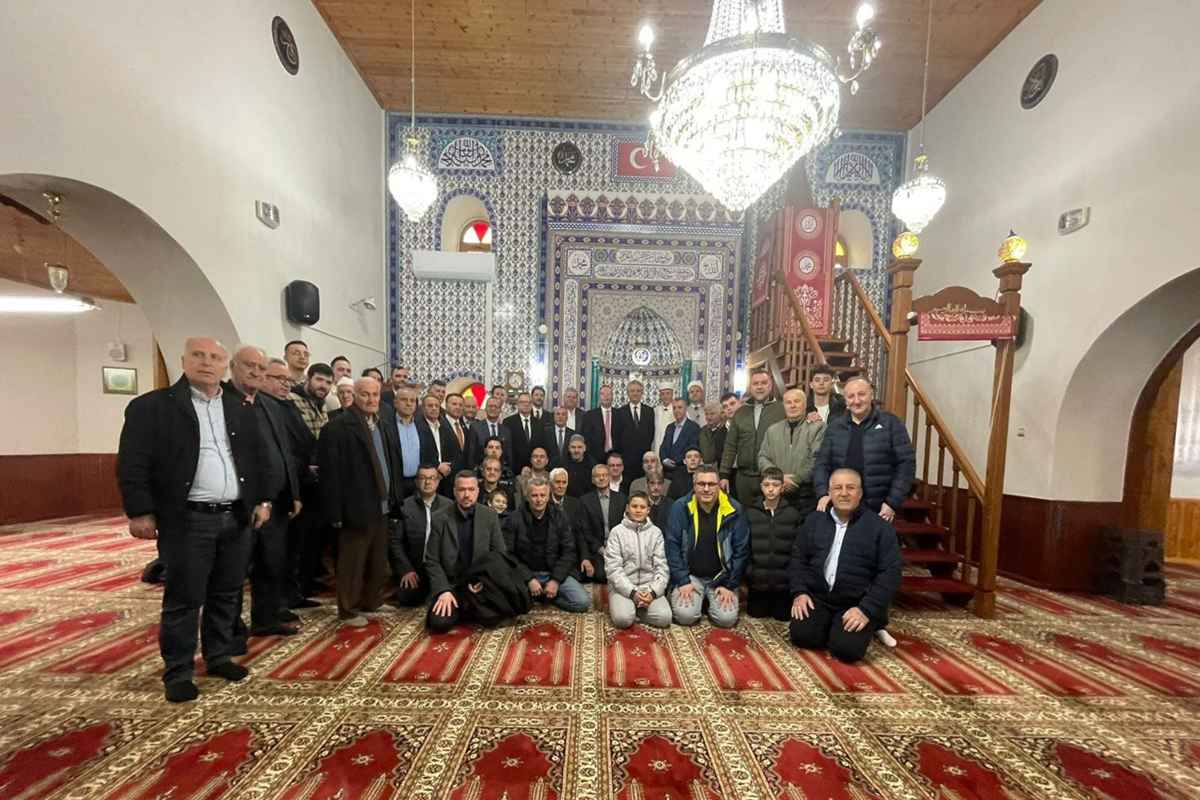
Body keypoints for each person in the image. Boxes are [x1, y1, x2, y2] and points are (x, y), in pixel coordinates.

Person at [117, 337, 272, 703]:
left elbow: (257, 458)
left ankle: (218, 656)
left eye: (215, 357)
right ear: (183, 360)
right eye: (199, 356)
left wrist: (261, 501)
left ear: (224, 365)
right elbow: (132, 463)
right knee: (184, 598)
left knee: (227, 592)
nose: (207, 362)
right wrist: (139, 511)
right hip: (188, 518)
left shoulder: (239, 407)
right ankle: (179, 671)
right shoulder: (153, 407)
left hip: (235, 515)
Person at [811, 376, 915, 651]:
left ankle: (875, 620)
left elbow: (906, 464)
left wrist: (892, 502)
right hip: (841, 504)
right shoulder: (836, 426)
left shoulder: (890, 424)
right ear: (845, 400)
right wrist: (823, 493)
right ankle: (843, 613)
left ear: (871, 395)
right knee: (847, 562)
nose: (856, 401)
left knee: (877, 564)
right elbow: (822, 463)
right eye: (851, 396)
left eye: (861, 395)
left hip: (877, 507)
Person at [788, 468, 902, 663]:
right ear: (829, 493)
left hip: (856, 603)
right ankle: (831, 626)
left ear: (860, 493)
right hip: (819, 597)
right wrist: (800, 592)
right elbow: (798, 558)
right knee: (803, 637)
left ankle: (872, 624)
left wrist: (866, 610)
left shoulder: (880, 528)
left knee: (847, 650)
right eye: (837, 488)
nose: (843, 493)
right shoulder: (814, 521)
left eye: (850, 488)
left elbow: (890, 573)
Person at [318, 376, 405, 627]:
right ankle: (348, 609)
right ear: (354, 395)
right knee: (353, 562)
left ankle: (372, 601)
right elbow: (330, 474)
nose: (371, 399)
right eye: (365, 394)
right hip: (355, 507)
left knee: (377, 560)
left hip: (382, 505)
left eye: (375, 394)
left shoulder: (382, 424)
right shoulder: (338, 427)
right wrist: (335, 512)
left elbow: (391, 462)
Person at [228, 347, 303, 639]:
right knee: (234, 572)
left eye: (261, 368)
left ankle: (267, 618)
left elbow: (284, 453)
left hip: (277, 502)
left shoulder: (271, 405)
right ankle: (231, 631)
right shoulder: (225, 403)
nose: (255, 373)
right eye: (250, 366)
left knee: (271, 563)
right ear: (233, 366)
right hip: (242, 504)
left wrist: (293, 493)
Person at [424, 471, 514, 632]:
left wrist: (484, 582)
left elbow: (499, 555)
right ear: (454, 491)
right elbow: (431, 560)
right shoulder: (439, 517)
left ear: (478, 491)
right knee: (438, 624)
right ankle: (464, 607)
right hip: (452, 585)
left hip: (479, 583)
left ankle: (468, 608)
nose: (466, 494)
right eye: (462, 489)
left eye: (471, 489)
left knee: (495, 618)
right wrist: (443, 590)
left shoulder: (489, 515)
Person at [665, 463, 749, 628]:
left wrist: (730, 585)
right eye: (701, 484)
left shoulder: (734, 509)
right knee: (685, 617)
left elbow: (741, 551)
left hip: (721, 578)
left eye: (711, 484)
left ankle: (706, 601)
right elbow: (672, 546)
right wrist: (682, 580)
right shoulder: (680, 507)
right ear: (694, 485)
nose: (706, 489)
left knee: (726, 620)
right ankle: (697, 600)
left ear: (719, 486)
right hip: (690, 576)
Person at [505, 477, 591, 612]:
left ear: (548, 496)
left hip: (554, 571)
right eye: (534, 495)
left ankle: (547, 598)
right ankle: (536, 595)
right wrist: (529, 579)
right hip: (527, 572)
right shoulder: (514, 518)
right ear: (527, 497)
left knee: (583, 603)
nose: (539, 500)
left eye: (542, 495)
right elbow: (508, 554)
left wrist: (555, 580)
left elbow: (569, 551)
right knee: (509, 602)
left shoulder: (559, 516)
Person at [745, 467, 806, 620]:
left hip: (783, 584)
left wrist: (791, 576)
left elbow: (798, 550)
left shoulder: (793, 514)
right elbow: (745, 548)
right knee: (756, 614)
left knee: (782, 617)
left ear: (782, 487)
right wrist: (749, 573)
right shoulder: (750, 513)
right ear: (761, 487)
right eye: (766, 485)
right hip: (757, 583)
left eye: (775, 485)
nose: (771, 489)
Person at [605, 492, 671, 629]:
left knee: (664, 618)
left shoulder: (656, 533)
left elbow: (662, 567)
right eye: (634, 506)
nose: (638, 510)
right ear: (627, 508)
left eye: (642, 507)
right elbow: (613, 569)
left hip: (649, 587)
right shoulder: (617, 532)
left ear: (648, 510)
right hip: (623, 588)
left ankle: (638, 609)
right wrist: (632, 593)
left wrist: (653, 593)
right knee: (623, 620)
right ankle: (631, 609)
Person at [720, 369, 784, 506]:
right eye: (756, 383)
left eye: (763, 383)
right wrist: (724, 474)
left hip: (771, 477)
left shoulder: (782, 410)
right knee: (744, 514)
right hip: (744, 478)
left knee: (768, 514)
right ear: (750, 387)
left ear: (771, 385)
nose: (759, 387)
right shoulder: (740, 412)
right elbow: (730, 445)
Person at [758, 387, 825, 516]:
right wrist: (779, 478)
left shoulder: (818, 428)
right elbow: (763, 457)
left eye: (797, 401)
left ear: (805, 405)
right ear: (784, 405)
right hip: (777, 494)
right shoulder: (772, 430)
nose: (792, 405)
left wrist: (796, 479)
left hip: (805, 495)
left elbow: (817, 458)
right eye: (788, 402)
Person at [392, 464, 450, 607]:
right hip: (415, 568)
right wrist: (406, 569)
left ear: (438, 481)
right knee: (407, 597)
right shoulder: (404, 506)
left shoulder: (449, 506)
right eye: (423, 478)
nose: (427, 482)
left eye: (432, 478)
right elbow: (395, 542)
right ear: (416, 482)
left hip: (441, 569)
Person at [577, 463, 627, 583]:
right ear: (593, 480)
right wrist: (600, 549)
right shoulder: (584, 501)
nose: (601, 478)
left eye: (604, 475)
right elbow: (585, 531)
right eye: (597, 476)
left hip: (619, 548)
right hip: (598, 550)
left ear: (609, 477)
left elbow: (626, 526)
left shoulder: (621, 498)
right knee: (601, 575)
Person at [416, 392, 457, 495]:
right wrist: (437, 466)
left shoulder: (444, 427)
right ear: (423, 408)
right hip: (426, 476)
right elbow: (420, 452)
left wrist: (447, 468)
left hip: (445, 477)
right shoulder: (417, 427)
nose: (434, 408)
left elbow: (453, 452)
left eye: (436, 406)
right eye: (430, 406)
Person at [615, 380, 655, 483]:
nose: (635, 393)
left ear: (642, 393)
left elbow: (651, 434)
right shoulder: (620, 412)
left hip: (644, 460)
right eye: (632, 391)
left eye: (638, 391)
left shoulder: (649, 411)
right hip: (626, 460)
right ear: (628, 393)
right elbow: (617, 436)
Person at [503, 391, 546, 474]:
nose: (526, 404)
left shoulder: (539, 423)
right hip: (514, 469)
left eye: (529, 402)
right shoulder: (508, 422)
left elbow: (541, 446)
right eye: (523, 402)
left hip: (535, 469)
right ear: (518, 404)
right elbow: (508, 448)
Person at [391, 384, 423, 497]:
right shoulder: (387, 425)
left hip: (418, 482)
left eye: (412, 401)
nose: (409, 403)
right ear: (395, 403)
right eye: (404, 400)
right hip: (396, 482)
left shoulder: (422, 425)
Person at [468, 395, 513, 470]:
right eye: (490, 406)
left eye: (496, 407)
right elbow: (471, 455)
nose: (493, 408)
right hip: (480, 472)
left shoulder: (506, 431)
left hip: (501, 472)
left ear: (500, 410)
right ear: (485, 408)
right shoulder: (475, 428)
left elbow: (509, 455)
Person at [659, 398, 701, 476]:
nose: (676, 410)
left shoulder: (693, 427)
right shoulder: (670, 427)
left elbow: (692, 449)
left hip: (683, 472)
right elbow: (663, 447)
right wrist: (664, 459)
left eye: (679, 407)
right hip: (666, 472)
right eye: (674, 408)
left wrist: (675, 462)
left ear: (685, 409)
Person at [580, 384, 619, 464]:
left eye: (608, 394)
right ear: (599, 397)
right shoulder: (589, 415)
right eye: (603, 394)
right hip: (595, 458)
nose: (606, 396)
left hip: (615, 457)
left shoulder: (619, 414)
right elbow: (585, 438)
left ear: (612, 397)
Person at [697, 401, 727, 465]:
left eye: (712, 414)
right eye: (706, 414)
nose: (708, 417)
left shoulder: (726, 430)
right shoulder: (702, 431)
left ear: (720, 414)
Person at [650, 385, 676, 457]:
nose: (665, 396)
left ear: (672, 394)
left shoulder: (677, 409)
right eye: (663, 394)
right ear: (660, 396)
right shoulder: (655, 410)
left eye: (668, 393)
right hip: (657, 446)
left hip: (672, 447)